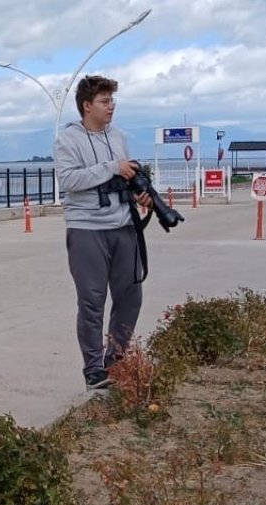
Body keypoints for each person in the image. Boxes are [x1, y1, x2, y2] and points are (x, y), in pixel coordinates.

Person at [53, 75, 152, 391]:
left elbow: (123, 176)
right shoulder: (67, 140)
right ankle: (94, 369)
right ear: (87, 105)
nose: (111, 107)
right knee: (92, 301)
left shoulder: (119, 136)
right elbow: (69, 181)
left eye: (113, 101)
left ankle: (117, 361)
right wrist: (112, 167)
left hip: (123, 226)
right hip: (87, 229)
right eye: (105, 101)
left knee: (130, 296)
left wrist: (139, 193)